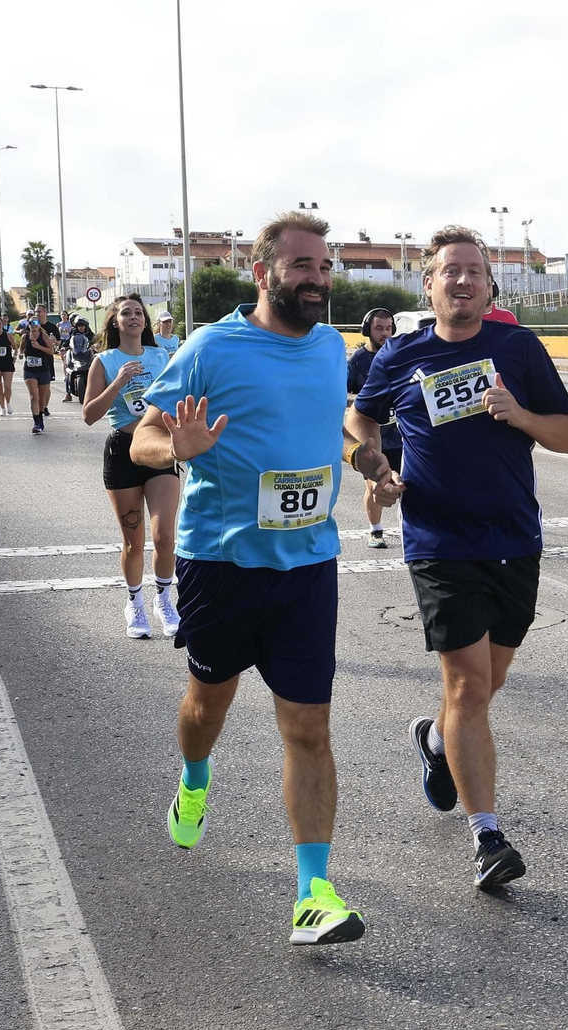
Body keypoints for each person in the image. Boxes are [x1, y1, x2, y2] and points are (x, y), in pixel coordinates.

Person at [130, 210, 399, 945]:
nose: (318, 280)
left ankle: (314, 893)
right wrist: (173, 447)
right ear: (264, 272)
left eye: (325, 268)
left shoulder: (328, 349)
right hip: (223, 564)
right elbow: (145, 434)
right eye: (303, 267)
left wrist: (365, 458)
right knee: (205, 707)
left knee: (309, 725)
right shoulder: (213, 347)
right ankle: (193, 781)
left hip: (308, 565)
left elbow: (335, 418)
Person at [347, 226, 568, 889]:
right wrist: (375, 462)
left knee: (486, 684)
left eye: (476, 271)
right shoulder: (401, 355)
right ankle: (488, 839)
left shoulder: (517, 348)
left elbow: (566, 435)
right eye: (452, 271)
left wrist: (520, 415)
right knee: (470, 687)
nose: (465, 281)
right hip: (439, 544)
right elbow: (360, 418)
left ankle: (438, 742)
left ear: (488, 284)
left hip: (513, 542)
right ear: (430, 283)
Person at [84, 294, 182, 640]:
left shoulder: (161, 356)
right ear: (114, 321)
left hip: (156, 448)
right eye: (126, 313)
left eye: (139, 313)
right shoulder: (105, 361)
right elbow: (89, 415)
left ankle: (164, 600)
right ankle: (135, 604)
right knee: (133, 541)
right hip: (122, 451)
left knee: (165, 535)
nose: (134, 317)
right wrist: (118, 381)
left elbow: (176, 396)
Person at [345, 308, 400, 548]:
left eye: (388, 328)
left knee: (406, 484)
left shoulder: (396, 356)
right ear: (368, 330)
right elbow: (343, 392)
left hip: (398, 435)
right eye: (379, 328)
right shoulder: (358, 360)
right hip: (372, 434)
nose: (385, 334)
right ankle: (375, 531)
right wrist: (360, 401)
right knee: (374, 483)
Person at [21, 317, 57, 433]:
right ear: (29, 324)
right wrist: (21, 353)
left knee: (42, 398)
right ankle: (36, 422)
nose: (34, 325)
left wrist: (39, 347)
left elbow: (51, 351)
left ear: (39, 324)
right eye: (31, 322)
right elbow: (21, 349)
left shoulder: (43, 336)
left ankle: (40, 417)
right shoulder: (25, 337)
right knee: (33, 396)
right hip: (29, 370)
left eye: (36, 322)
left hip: (43, 370)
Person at [0, 315, 17, 414]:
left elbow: (15, 348)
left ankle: (8, 403)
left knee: (7, 386)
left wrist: (14, 357)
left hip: (7, 363)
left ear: (2, 325)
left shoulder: (8, 335)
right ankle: (2, 408)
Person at [64, 317, 95, 402]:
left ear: (86, 326)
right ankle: (67, 393)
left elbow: (96, 340)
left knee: (96, 367)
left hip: (86, 355)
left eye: (83, 326)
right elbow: (68, 341)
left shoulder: (89, 334)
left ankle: (97, 390)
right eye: (79, 326)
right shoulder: (73, 333)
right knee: (68, 371)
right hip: (75, 355)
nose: (81, 328)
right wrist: (63, 346)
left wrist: (96, 345)